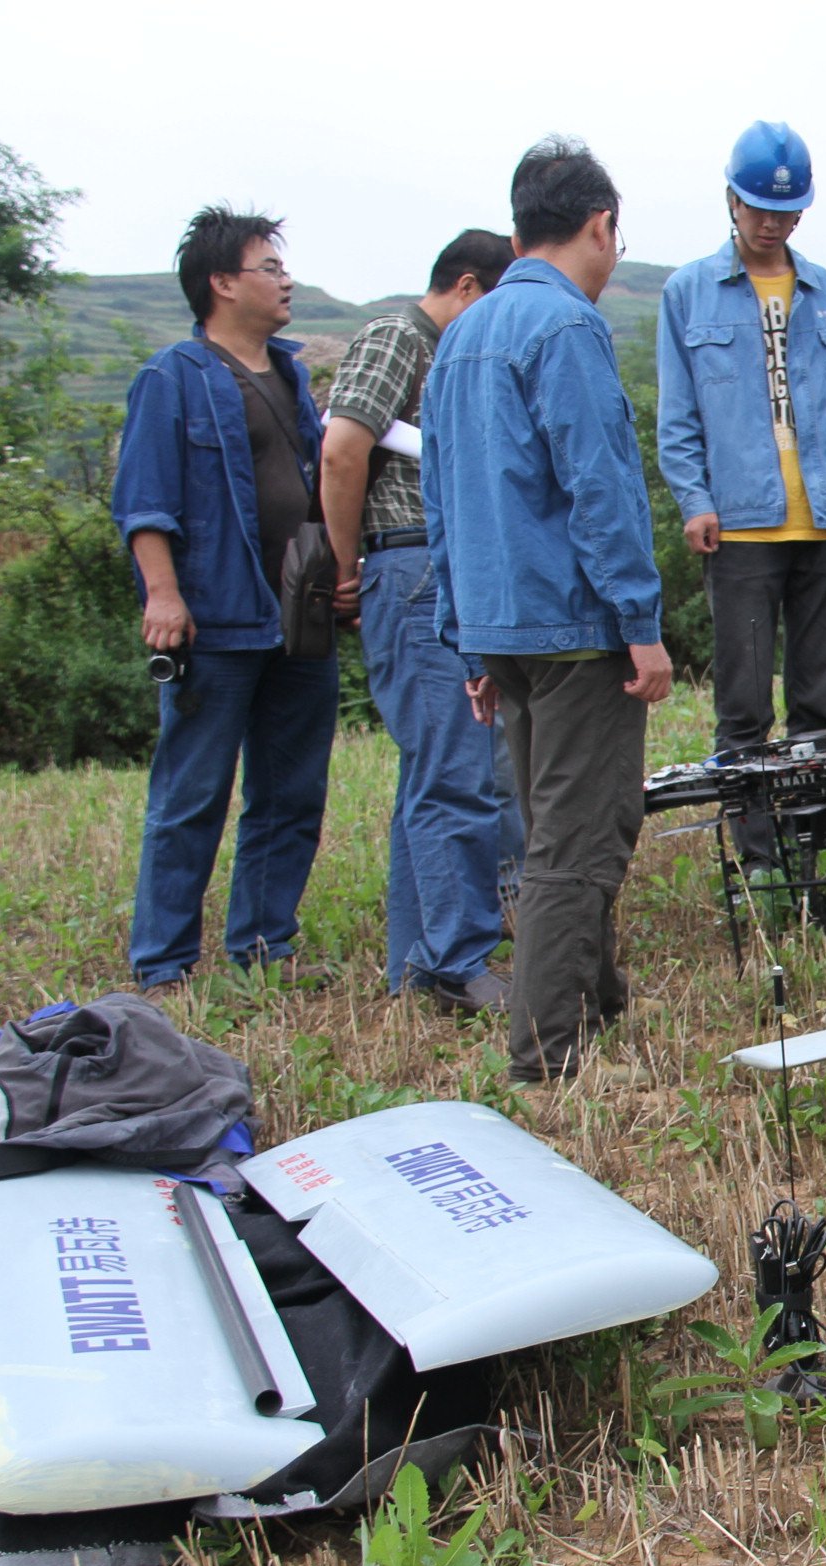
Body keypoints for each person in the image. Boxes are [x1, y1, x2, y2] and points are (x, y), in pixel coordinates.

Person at [422, 138, 671, 1087]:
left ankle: (600, 1005)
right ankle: (547, 1057)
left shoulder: (465, 334)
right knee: (579, 840)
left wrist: (466, 640)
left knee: (555, 823)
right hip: (573, 628)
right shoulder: (564, 330)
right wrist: (640, 625)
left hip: (500, 627)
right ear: (601, 225)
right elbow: (599, 487)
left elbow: (441, 500)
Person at [112, 206, 338, 991]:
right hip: (215, 617)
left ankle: (264, 949)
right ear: (221, 282)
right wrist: (163, 596)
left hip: (298, 617)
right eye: (269, 268)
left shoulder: (291, 373)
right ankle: (165, 964)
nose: (285, 280)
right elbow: (144, 501)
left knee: (292, 792)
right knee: (192, 795)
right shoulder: (173, 377)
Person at [657, 121, 826, 886]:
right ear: (731, 200)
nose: (771, 223)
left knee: (818, 703)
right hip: (742, 530)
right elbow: (678, 413)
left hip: (824, 524)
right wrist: (694, 498)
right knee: (744, 706)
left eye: (786, 212)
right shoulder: (688, 291)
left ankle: (816, 849)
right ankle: (760, 865)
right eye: (758, 208)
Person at [320, 228, 521, 1016]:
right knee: (457, 775)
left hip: (428, 568)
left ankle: (418, 959)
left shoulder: (432, 348)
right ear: (468, 289)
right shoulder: (396, 335)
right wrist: (347, 566)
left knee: (430, 777)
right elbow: (341, 449)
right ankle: (455, 959)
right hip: (404, 565)